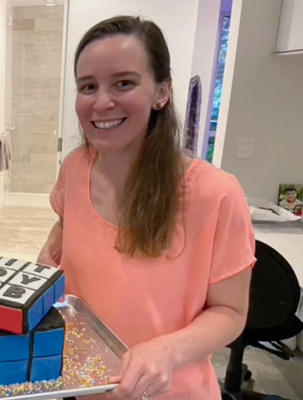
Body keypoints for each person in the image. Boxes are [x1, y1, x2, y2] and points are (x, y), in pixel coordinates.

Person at [37, 16, 255, 400]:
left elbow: (231, 313)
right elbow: (64, 233)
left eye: (124, 83)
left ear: (162, 92)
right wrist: (42, 272)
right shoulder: (75, 167)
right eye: (88, 86)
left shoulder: (215, 194)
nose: (102, 102)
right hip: (80, 385)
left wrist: (167, 352)